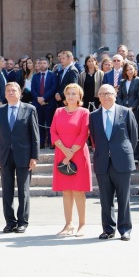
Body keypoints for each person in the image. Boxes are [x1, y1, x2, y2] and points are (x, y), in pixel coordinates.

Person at [89, 84, 138, 241]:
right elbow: (94, 138)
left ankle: (125, 229)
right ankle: (108, 229)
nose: (105, 96)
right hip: (103, 161)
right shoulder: (94, 115)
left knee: (124, 198)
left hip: (122, 160)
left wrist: (124, 152)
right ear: (98, 96)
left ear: (115, 95)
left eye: (109, 93)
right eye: (102, 94)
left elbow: (133, 137)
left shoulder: (126, 112)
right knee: (105, 198)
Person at [0, 82, 39, 234]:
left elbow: (35, 136)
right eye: (8, 91)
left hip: (24, 155)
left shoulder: (29, 109)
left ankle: (22, 222)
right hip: (5, 155)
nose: (11, 93)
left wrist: (34, 156)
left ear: (20, 93)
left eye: (13, 90)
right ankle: (10, 222)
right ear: (5, 94)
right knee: (7, 190)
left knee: (23, 190)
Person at [50, 83, 92, 237]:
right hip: (62, 152)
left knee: (78, 191)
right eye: (68, 93)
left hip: (78, 153)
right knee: (66, 191)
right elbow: (53, 131)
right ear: (65, 97)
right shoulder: (58, 111)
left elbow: (84, 133)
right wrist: (64, 150)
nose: (71, 96)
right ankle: (68, 224)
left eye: (74, 93)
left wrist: (70, 153)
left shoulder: (84, 112)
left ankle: (82, 224)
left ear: (79, 96)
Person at [31, 57, 57, 148]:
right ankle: (41, 143)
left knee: (50, 124)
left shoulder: (52, 75)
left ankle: (51, 142)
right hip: (38, 104)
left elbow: (53, 88)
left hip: (49, 103)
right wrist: (39, 99)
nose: (42, 65)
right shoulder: (35, 76)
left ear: (48, 64)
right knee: (40, 124)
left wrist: (44, 98)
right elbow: (33, 89)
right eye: (40, 63)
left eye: (44, 63)